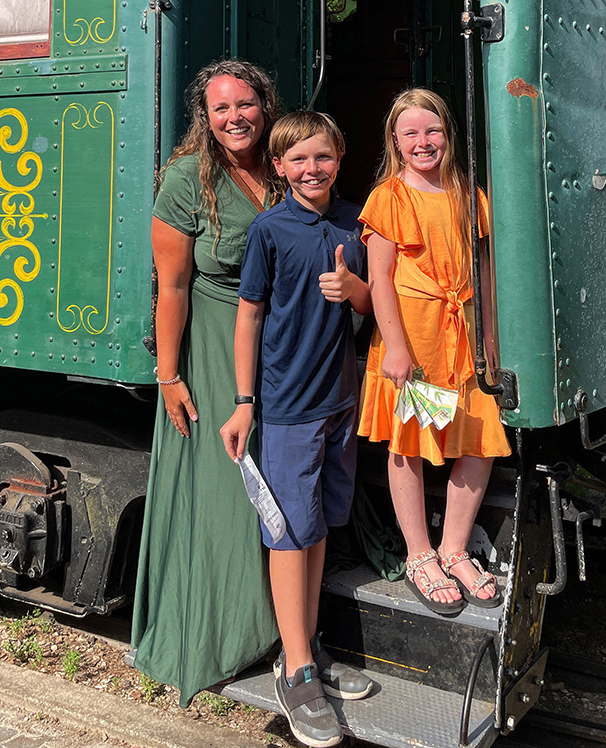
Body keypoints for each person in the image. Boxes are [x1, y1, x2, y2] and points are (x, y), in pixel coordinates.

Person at [131, 59, 281, 707]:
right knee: (225, 490)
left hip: (281, 346)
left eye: (244, 104)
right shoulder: (189, 180)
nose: (235, 117)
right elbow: (171, 287)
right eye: (221, 109)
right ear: (206, 117)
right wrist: (169, 376)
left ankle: (274, 628)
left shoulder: (281, 167)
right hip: (214, 344)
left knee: (277, 484)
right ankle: (217, 636)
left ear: (263, 105)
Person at [220, 111, 373, 748]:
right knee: (288, 536)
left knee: (314, 534)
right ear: (279, 168)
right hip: (287, 407)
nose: (313, 169)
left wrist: (354, 288)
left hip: (340, 402)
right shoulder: (269, 228)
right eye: (299, 160)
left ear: (340, 157)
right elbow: (249, 315)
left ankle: (301, 646)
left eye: (324, 157)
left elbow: (373, 306)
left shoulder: (355, 221)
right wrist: (244, 401)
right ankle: (299, 672)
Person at [358, 89, 511, 617]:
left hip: (463, 337)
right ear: (395, 142)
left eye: (433, 131)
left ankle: (455, 548)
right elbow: (378, 280)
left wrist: (490, 337)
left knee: (476, 440)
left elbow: (484, 272)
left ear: (447, 134)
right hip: (415, 342)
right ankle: (420, 555)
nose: (423, 143)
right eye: (411, 134)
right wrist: (396, 348)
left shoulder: (470, 195)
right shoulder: (390, 197)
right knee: (411, 445)